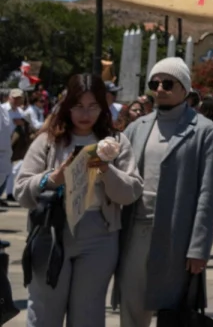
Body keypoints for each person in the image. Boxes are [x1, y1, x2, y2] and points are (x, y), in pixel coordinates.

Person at [15, 74, 143, 327]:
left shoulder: (116, 142)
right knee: (44, 311)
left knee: (88, 313)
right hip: (51, 232)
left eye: (93, 106)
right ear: (67, 105)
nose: (85, 114)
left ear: (103, 107)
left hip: (99, 234)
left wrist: (107, 169)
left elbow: (131, 192)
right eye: (78, 106)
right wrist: (52, 178)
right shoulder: (49, 140)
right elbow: (21, 189)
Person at [115, 57, 213, 327]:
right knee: (131, 308)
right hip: (136, 230)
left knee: (173, 314)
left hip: (178, 237)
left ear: (185, 89)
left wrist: (199, 247)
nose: (160, 88)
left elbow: (208, 193)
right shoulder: (136, 128)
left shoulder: (204, 132)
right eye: (155, 83)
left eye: (167, 83)